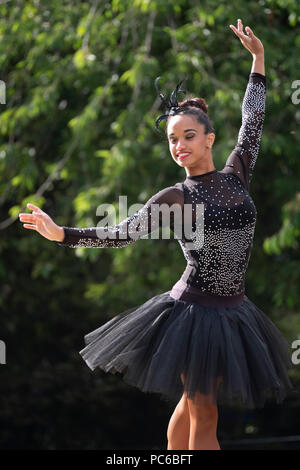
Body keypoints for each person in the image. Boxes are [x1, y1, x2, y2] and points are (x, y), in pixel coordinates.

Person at [18, 20, 296, 450]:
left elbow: (253, 119)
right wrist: (62, 235)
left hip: (235, 309)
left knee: (191, 403)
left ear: (209, 139)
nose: (179, 145)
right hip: (192, 313)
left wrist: (258, 60)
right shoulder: (175, 196)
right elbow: (122, 234)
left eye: (188, 136)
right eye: (172, 140)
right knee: (205, 411)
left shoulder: (238, 171)